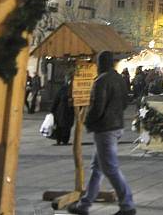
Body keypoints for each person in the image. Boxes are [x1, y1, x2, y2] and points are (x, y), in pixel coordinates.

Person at [68, 51, 135, 215]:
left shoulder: (101, 80)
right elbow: (126, 102)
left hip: (105, 129)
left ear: (101, 63)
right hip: (117, 125)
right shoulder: (119, 79)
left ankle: (127, 205)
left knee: (110, 169)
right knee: (97, 168)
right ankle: (85, 204)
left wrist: (88, 121)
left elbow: (97, 107)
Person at [50, 78, 74, 145]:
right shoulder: (63, 89)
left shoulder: (74, 89)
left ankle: (64, 140)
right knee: (60, 125)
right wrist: (52, 110)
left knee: (67, 126)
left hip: (69, 112)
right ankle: (59, 139)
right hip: (61, 111)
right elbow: (56, 99)